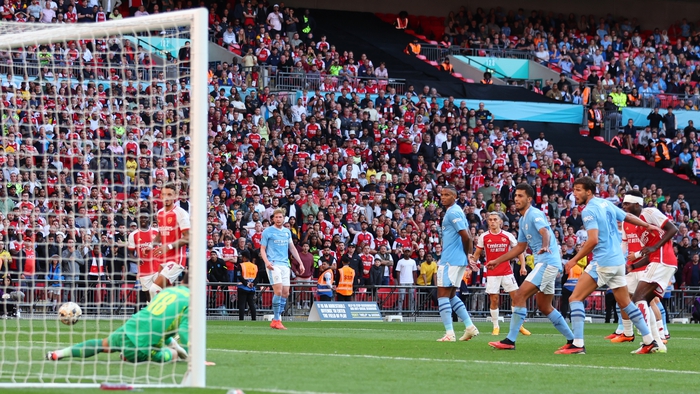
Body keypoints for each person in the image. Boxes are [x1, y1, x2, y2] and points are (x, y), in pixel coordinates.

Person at [561, 178, 663, 354]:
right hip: (618, 261)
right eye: (574, 190)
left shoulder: (589, 211)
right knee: (625, 302)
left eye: (578, 190)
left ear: (589, 192)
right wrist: (647, 225)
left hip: (604, 261)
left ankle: (577, 344)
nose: (574, 194)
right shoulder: (605, 203)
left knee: (575, 299)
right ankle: (649, 341)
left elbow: (592, 240)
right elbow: (628, 217)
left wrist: (574, 259)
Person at [487, 183, 574, 351]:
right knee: (545, 306)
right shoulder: (523, 219)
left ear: (529, 199)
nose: (516, 199)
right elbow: (520, 247)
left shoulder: (534, 214)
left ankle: (510, 341)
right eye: (516, 196)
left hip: (547, 262)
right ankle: (573, 340)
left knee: (519, 295)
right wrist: (498, 260)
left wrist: (545, 245)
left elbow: (545, 232)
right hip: (548, 264)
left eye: (520, 196)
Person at [47, 273, 190, 363]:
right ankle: (129, 356)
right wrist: (188, 354)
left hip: (132, 325)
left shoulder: (169, 290)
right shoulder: (191, 298)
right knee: (170, 355)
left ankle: (58, 353)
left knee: (103, 345)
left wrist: (172, 342)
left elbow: (157, 318)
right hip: (144, 346)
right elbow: (184, 331)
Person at [622, 189, 679, 352]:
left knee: (638, 298)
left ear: (636, 204)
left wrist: (655, 246)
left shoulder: (649, 212)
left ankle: (649, 342)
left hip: (662, 259)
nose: (624, 206)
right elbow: (649, 253)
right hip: (661, 260)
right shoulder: (638, 225)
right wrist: (633, 266)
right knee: (643, 301)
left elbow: (673, 229)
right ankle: (658, 343)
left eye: (627, 203)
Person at [471, 212, 530, 336]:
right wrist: (472, 263)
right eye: (490, 219)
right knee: (494, 299)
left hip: (507, 272)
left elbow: (519, 251)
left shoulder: (508, 236)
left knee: (516, 298)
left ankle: (519, 325)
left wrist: (523, 266)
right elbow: (477, 253)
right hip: (492, 273)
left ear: (500, 222)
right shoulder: (484, 236)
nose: (492, 222)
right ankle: (496, 326)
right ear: (487, 222)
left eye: (495, 219)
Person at [436, 185, 479, 342]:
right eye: (442, 194)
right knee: (452, 294)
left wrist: (469, 254)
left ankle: (449, 333)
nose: (443, 197)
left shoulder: (453, 211)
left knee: (442, 294)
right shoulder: (457, 211)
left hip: (450, 260)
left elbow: (466, 236)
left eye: (447, 194)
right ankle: (469, 327)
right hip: (457, 259)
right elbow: (466, 235)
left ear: (454, 197)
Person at [260, 208, 305, 330]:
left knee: (285, 293)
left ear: (284, 218)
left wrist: (300, 262)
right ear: (273, 218)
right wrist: (267, 262)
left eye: (281, 217)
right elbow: (262, 249)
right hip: (273, 264)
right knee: (278, 291)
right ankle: (276, 319)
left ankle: (277, 318)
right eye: (276, 217)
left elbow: (292, 248)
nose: (278, 219)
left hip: (285, 265)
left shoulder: (287, 232)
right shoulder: (268, 232)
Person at [153, 183, 190, 294]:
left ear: (175, 196)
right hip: (163, 258)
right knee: (165, 292)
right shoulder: (159, 213)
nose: (167, 197)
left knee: (154, 290)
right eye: (164, 194)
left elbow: (188, 237)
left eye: (170, 194)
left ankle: (153, 312)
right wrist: (150, 245)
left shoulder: (181, 213)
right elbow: (161, 234)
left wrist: (169, 246)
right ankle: (176, 311)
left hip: (176, 259)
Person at [127, 212, 160, 300]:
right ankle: (151, 311)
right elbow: (130, 253)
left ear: (149, 218)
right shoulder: (133, 235)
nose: (143, 220)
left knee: (159, 292)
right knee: (148, 295)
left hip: (157, 268)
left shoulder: (156, 231)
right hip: (144, 270)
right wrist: (136, 259)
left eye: (145, 217)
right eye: (141, 217)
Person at [235, 250, 258, 321]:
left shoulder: (241, 265)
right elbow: (257, 277)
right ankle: (254, 319)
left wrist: (246, 283)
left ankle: (241, 319)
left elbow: (239, 275)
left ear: (244, 257)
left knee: (242, 304)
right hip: (252, 288)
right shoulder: (255, 266)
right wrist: (253, 283)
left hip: (243, 287)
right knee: (251, 304)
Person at [396, 247, 417, 312]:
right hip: (402, 281)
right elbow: (398, 272)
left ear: (410, 253)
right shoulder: (400, 261)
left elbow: (414, 272)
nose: (407, 253)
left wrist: (414, 281)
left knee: (411, 297)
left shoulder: (413, 261)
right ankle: (400, 311)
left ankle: (412, 311)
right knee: (401, 297)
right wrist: (398, 282)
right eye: (406, 252)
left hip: (410, 281)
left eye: (408, 252)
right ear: (404, 252)